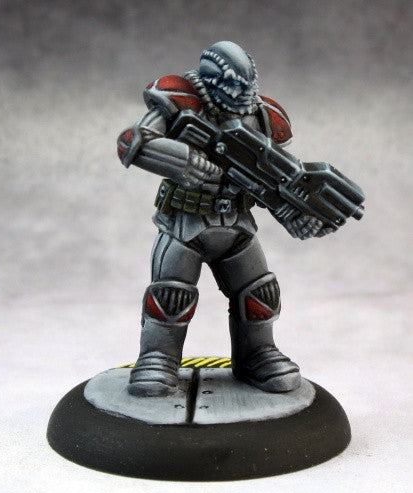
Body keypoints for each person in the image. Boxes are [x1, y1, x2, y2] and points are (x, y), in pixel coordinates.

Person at [117, 41, 326, 397]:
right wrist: (183, 159)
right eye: (234, 87)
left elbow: (275, 178)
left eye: (247, 87)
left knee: (259, 292)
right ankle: (157, 357)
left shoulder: (263, 115)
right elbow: (132, 143)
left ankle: (257, 354)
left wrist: (295, 214)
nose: (242, 96)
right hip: (185, 222)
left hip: (238, 223)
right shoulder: (180, 100)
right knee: (171, 296)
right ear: (214, 82)